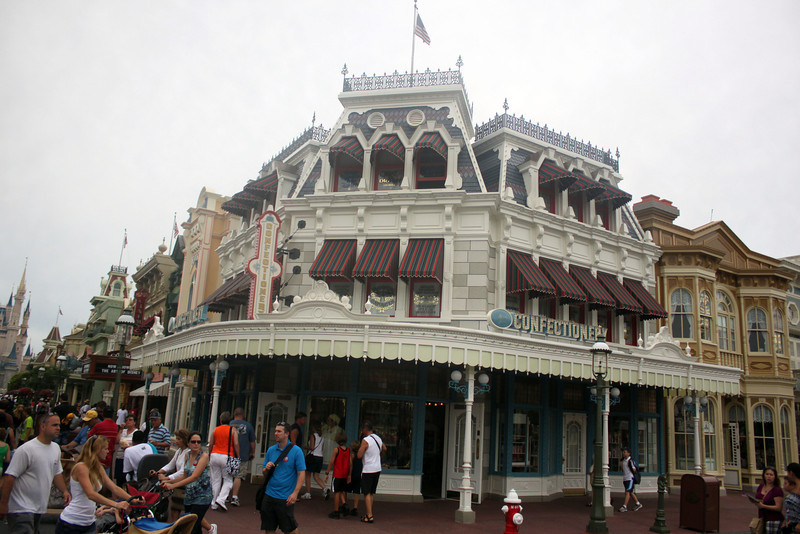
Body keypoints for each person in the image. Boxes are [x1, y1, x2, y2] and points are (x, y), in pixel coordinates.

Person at [0, 413, 71, 534]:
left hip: (39, 508)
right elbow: (10, 477)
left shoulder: (55, 448)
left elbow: (57, 473)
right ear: (43, 426)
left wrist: (64, 491)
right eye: (54, 425)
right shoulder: (26, 449)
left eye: (59, 425)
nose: (58, 428)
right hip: (21, 508)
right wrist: (3, 503)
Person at [55, 435, 137, 534]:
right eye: (105, 449)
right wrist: (116, 504)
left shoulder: (98, 467)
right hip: (71, 523)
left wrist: (133, 499)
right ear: (97, 450)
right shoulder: (81, 467)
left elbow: (114, 488)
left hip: (89, 523)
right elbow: (91, 494)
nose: (108, 451)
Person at [163, 431, 213, 534]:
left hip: (202, 495)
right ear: (188, 443)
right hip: (189, 495)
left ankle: (211, 528)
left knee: (193, 525)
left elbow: (194, 476)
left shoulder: (204, 456)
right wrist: (168, 481)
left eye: (199, 442)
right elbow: (185, 476)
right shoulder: (187, 454)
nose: (196, 444)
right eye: (193, 442)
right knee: (193, 526)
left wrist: (173, 485)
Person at [261, 422, 305, 534]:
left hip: (285, 497)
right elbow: (264, 473)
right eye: (275, 431)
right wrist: (267, 468)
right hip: (269, 495)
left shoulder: (296, 451)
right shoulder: (271, 450)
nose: (276, 433)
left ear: (287, 434)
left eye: (279, 431)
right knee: (269, 529)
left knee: (290, 529)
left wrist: (295, 493)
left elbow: (301, 473)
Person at [208, 411, 239, 510]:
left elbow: (211, 443)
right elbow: (236, 444)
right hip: (227, 455)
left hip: (214, 454)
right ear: (230, 421)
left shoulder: (215, 430)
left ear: (220, 420)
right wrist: (238, 456)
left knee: (216, 480)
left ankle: (213, 502)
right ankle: (221, 499)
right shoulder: (233, 430)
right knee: (228, 480)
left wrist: (210, 454)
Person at [357, 421, 386, 523]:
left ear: (365, 429)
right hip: (377, 468)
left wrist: (362, 449)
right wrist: (377, 454)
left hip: (368, 469)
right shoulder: (378, 438)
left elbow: (359, 455)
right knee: (371, 493)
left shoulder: (366, 440)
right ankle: (369, 512)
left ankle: (369, 515)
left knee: (366, 492)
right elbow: (384, 448)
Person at [229, 407, 256, 508]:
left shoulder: (229, 424)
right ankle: (234, 496)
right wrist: (253, 452)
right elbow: (252, 441)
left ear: (234, 414)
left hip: (229, 454)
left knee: (228, 475)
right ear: (243, 415)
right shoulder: (248, 426)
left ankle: (224, 495)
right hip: (243, 454)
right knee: (238, 476)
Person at [324, 433, 350, 519]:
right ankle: (344, 504)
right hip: (344, 474)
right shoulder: (348, 450)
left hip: (337, 474)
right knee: (341, 490)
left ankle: (336, 511)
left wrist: (327, 472)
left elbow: (331, 462)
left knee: (336, 493)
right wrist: (349, 474)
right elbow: (349, 463)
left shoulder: (336, 450)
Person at [752, 466, 783, 534]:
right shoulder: (761, 486)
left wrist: (763, 506)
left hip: (773, 519)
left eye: (771, 475)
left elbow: (778, 507)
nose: (769, 476)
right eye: (767, 474)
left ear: (775, 476)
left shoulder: (777, 490)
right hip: (762, 518)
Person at [88, 406, 119, 474]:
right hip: (108, 459)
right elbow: (116, 441)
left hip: (97, 459)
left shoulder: (98, 426)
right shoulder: (116, 427)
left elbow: (89, 438)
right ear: (113, 415)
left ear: (102, 414)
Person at [302, 421, 325, 500]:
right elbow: (322, 448)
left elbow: (312, 447)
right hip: (320, 457)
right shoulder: (322, 438)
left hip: (312, 456)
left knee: (308, 475)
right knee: (316, 476)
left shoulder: (312, 436)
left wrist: (305, 447)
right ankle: (325, 488)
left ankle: (308, 493)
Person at [115, 415, 138, 486]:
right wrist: (120, 430)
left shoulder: (136, 432)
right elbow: (116, 441)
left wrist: (129, 447)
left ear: (134, 422)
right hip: (120, 457)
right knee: (119, 479)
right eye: (127, 420)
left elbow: (137, 445)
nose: (128, 422)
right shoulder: (123, 431)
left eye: (130, 420)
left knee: (127, 479)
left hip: (129, 458)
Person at [618, 447, 642, 512]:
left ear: (629, 453)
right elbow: (622, 469)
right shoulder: (623, 461)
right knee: (630, 492)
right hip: (625, 478)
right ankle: (638, 503)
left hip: (630, 478)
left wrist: (632, 467)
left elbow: (634, 469)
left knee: (627, 492)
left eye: (625, 452)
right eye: (623, 452)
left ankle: (624, 506)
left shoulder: (630, 461)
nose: (623, 453)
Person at [346, 440, 362, 517]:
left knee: (345, 489)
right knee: (356, 492)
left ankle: (345, 504)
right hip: (358, 475)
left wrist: (349, 475)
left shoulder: (352, 455)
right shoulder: (361, 456)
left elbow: (350, 465)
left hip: (352, 474)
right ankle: (355, 508)